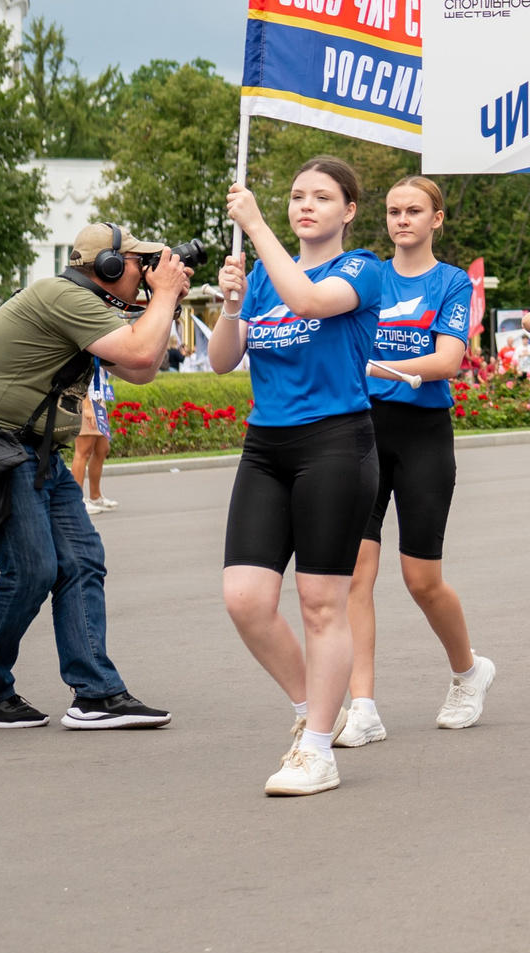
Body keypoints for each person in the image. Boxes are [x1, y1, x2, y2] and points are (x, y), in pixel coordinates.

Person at [0, 223, 183, 733]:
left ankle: (96, 694)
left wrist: (165, 304)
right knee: (30, 570)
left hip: (36, 452)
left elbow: (141, 369)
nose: (145, 273)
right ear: (108, 267)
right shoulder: (63, 295)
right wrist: (162, 297)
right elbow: (141, 356)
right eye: (138, 263)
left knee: (80, 561)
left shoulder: (92, 305)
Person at [209, 159, 392, 795]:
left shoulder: (362, 268)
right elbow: (221, 359)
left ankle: (318, 750)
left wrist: (255, 225)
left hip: (335, 445)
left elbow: (311, 300)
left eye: (322, 197)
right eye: (295, 196)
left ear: (348, 211)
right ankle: (310, 708)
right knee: (246, 600)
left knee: (320, 604)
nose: (304, 205)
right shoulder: (263, 276)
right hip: (266, 446)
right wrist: (232, 304)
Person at [336, 176, 491, 750]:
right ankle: (364, 706)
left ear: (436, 220)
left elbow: (449, 360)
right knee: (355, 573)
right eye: (395, 211)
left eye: (414, 211)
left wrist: (376, 367)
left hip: (424, 433)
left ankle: (468, 672)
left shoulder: (451, 283)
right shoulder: (365, 276)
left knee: (422, 580)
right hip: (362, 430)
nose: (402, 220)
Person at [70, 358, 115, 515]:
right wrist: (87, 407)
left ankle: (95, 496)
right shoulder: (86, 348)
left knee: (102, 449)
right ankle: (77, 500)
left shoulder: (101, 349)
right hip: (87, 400)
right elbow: (79, 377)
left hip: (99, 399)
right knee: (84, 451)